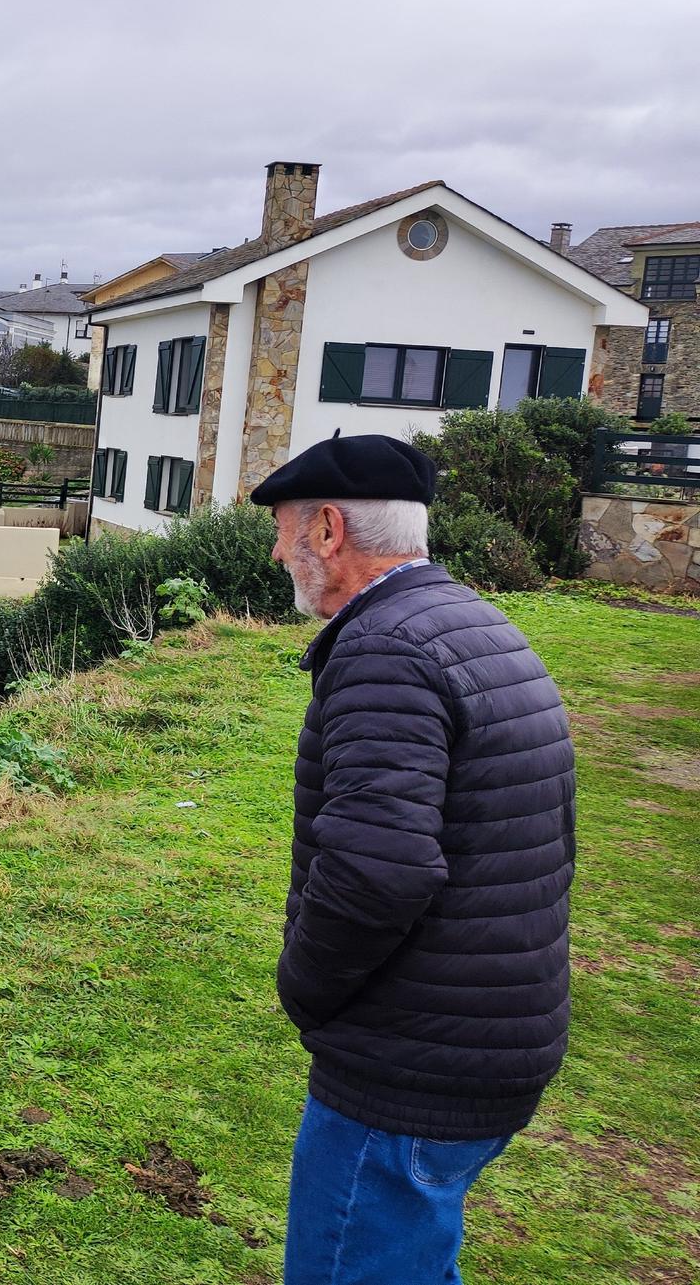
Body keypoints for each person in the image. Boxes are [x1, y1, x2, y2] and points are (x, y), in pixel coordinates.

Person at [250, 434, 574, 1285]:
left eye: (284, 529)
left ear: (328, 530)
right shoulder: (471, 623)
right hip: (484, 1036)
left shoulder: (384, 651)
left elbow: (377, 869)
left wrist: (304, 986)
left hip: (411, 1063)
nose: (277, 551)